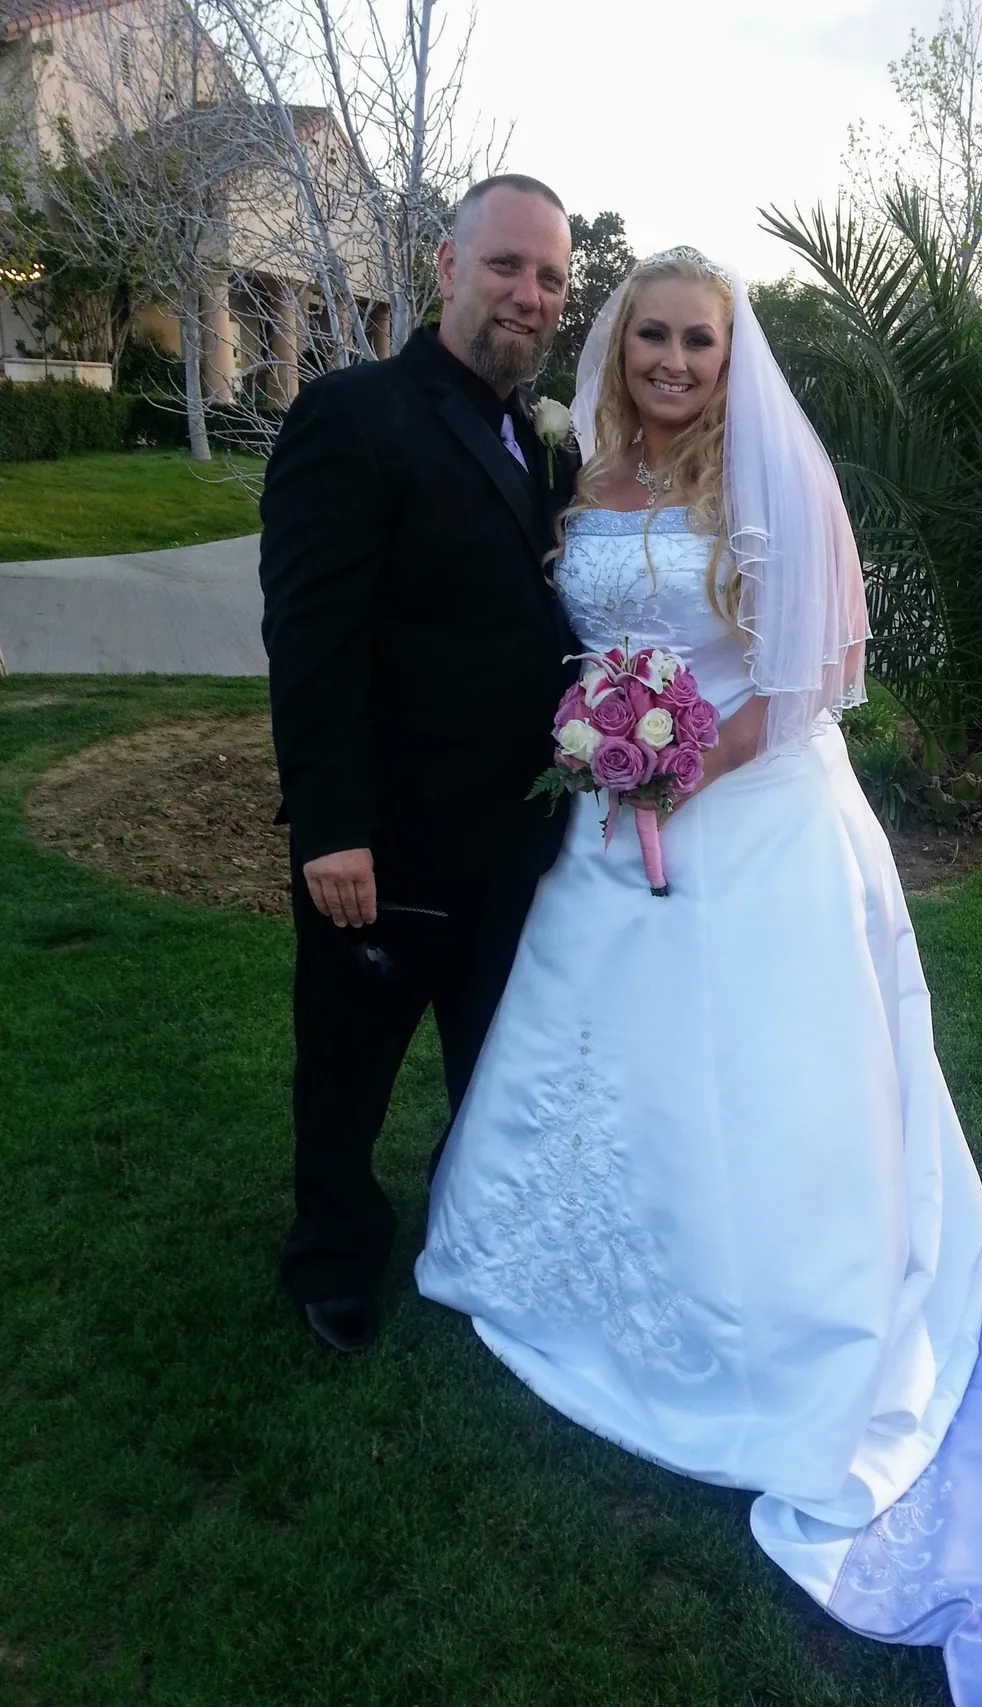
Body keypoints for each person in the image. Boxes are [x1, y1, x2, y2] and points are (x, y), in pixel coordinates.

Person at [415, 248, 982, 1704]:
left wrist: (677, 758)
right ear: (617, 349)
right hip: (613, 834)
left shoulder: (761, 480)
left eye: (700, 340)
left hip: (749, 827)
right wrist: (609, 745)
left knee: (765, 1089)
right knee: (610, 1063)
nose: (676, 362)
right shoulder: (585, 476)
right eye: (653, 339)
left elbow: (817, 664)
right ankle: (581, 1278)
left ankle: (778, 1333)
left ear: (730, 356)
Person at [258, 174, 579, 1353]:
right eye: (506, 265)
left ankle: (468, 1226)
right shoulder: (352, 414)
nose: (529, 294)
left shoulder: (546, 445)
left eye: (548, 277)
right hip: (386, 842)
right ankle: (333, 1253)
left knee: (492, 1071)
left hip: (516, 846)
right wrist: (330, 824)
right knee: (346, 1068)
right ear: (445, 267)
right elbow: (311, 633)